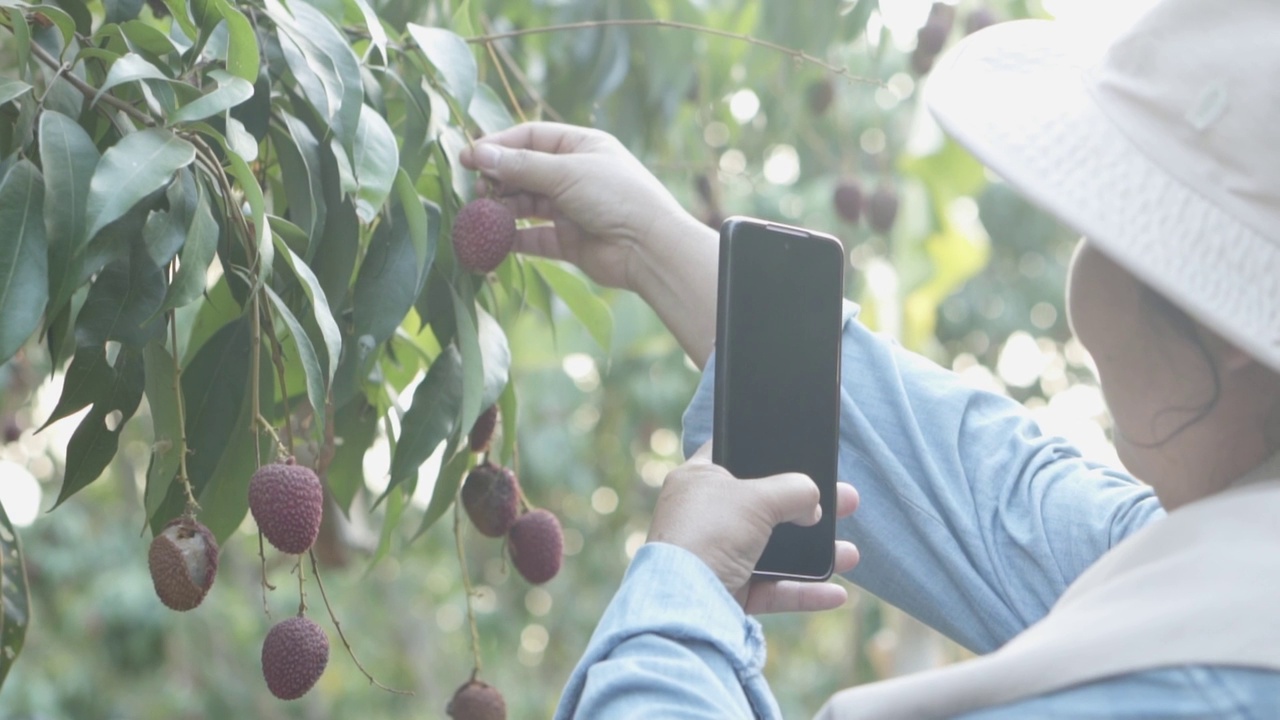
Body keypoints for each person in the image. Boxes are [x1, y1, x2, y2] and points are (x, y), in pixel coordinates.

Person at [460, 0, 1280, 716]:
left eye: (1111, 226)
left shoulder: (1174, 691)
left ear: (1229, 331)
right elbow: (985, 498)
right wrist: (655, 244)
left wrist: (680, 595)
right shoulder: (1218, 571)